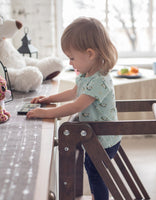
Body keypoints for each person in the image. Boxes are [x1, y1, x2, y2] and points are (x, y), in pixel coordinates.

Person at [27, 17, 121, 200]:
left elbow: (76, 105)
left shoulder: (99, 80)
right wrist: (49, 98)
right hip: (97, 136)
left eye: (72, 57)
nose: (70, 63)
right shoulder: (87, 74)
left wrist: (45, 113)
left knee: (95, 173)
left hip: (104, 139)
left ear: (90, 53)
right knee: (91, 168)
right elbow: (73, 92)